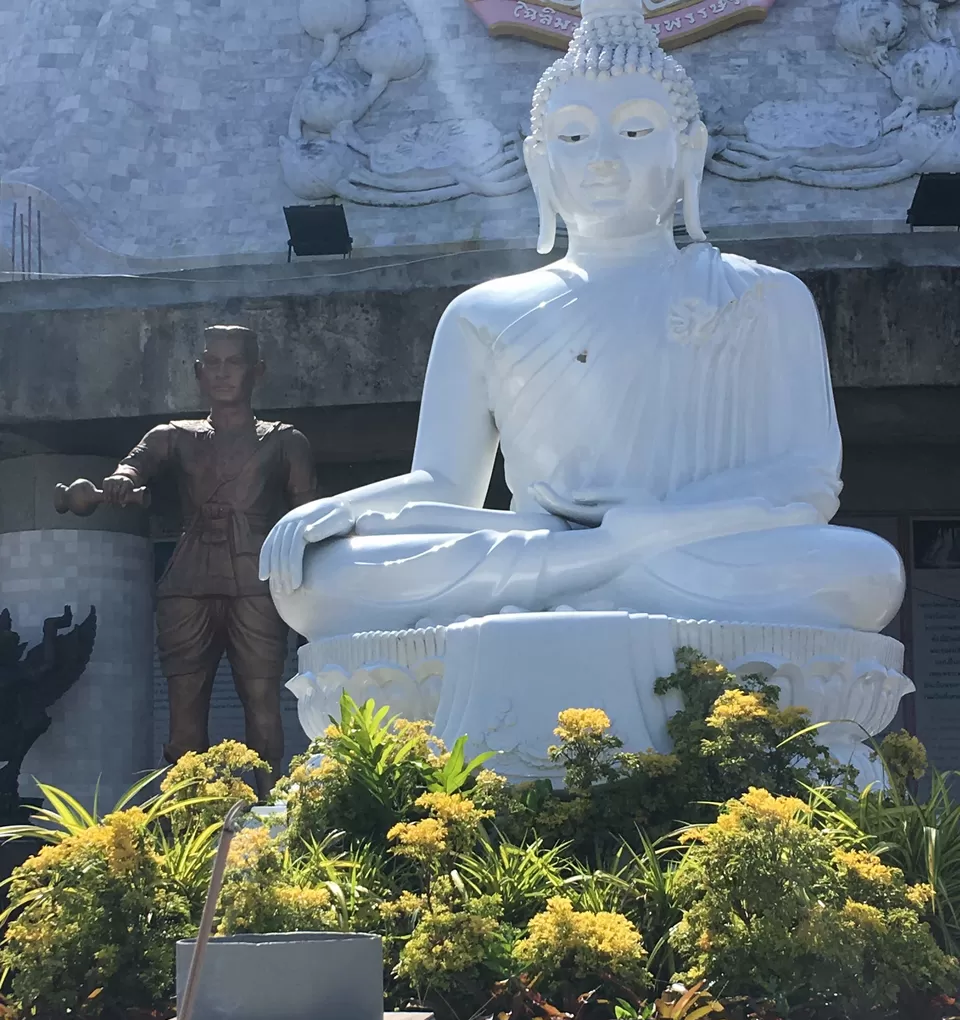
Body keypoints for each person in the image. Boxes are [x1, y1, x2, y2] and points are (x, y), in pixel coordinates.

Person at [259, 0, 904, 642]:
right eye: (572, 136)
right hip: (549, 545)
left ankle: (574, 587)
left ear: (690, 154)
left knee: (867, 570)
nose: (600, 158)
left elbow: (805, 482)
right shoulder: (483, 313)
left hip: (691, 548)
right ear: (540, 163)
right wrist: (342, 509)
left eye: (633, 132)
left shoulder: (762, 296)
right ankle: (599, 573)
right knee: (322, 577)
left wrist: (655, 527)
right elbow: (447, 487)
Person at [101, 325, 316, 788]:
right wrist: (121, 478)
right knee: (184, 711)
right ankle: (188, 816)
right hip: (189, 583)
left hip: (255, 582)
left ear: (256, 372)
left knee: (261, 701)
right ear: (198, 372)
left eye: (233, 362)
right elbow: (134, 464)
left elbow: (308, 521)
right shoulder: (174, 436)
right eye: (212, 364)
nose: (222, 373)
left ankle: (268, 806)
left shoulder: (285, 442)